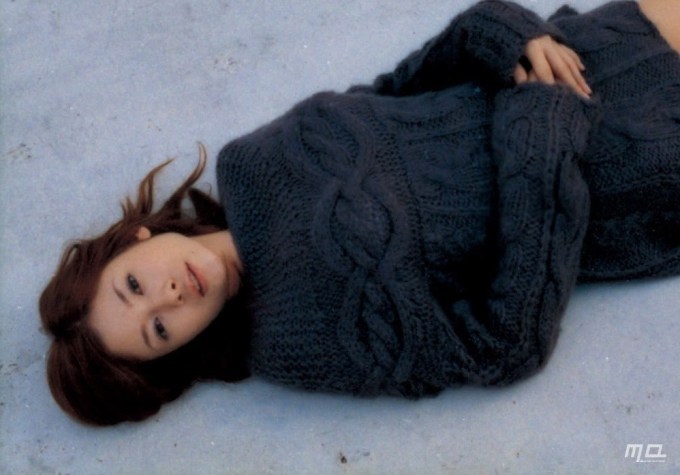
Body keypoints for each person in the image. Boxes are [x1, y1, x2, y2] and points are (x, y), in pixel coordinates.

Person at [40, 0, 679, 425]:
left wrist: (501, 34)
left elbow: (397, 90)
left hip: (590, 51)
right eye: (158, 330)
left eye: (134, 286)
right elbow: (504, 347)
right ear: (181, 351)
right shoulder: (293, 340)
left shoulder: (246, 162)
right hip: (638, 169)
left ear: (135, 238)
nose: (170, 296)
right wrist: (539, 140)